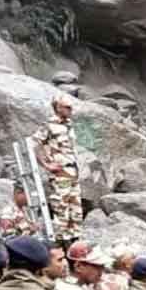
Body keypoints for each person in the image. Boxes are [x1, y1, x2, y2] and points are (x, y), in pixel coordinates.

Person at [33, 94, 83, 247]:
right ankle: (61, 246)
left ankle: (75, 245)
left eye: (71, 107)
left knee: (76, 211)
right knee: (61, 212)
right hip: (60, 174)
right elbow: (35, 144)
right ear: (58, 107)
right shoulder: (49, 125)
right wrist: (46, 165)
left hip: (73, 172)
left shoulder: (69, 125)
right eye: (67, 107)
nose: (70, 110)